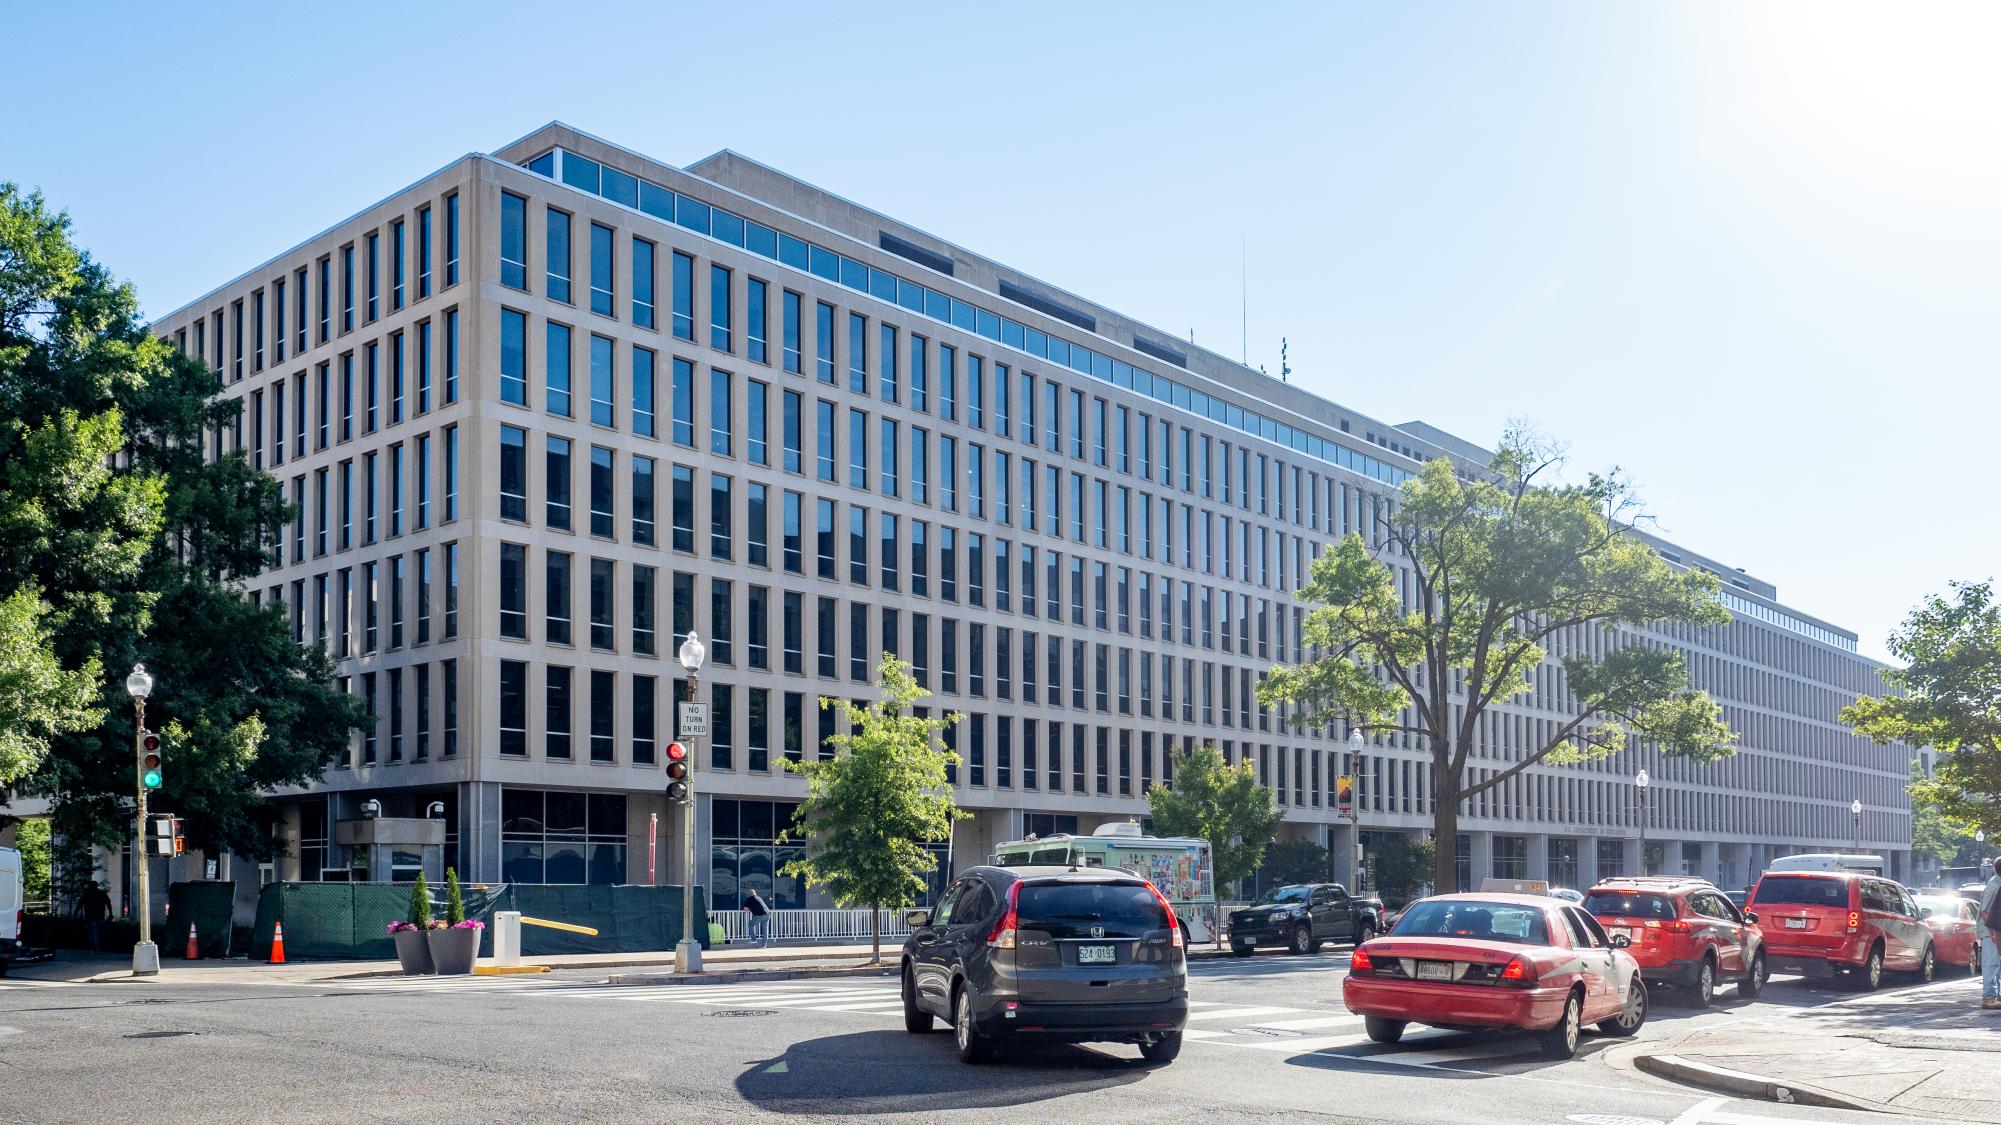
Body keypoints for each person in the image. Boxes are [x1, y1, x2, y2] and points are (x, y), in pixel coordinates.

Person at [1981, 856, 2001, 1013]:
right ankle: (1988, 998)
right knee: (1992, 964)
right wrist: (1993, 932)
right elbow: (1985, 911)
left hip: (1995, 931)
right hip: (1991, 932)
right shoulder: (1994, 885)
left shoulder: (1997, 883)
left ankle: (1996, 996)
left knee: (1997, 966)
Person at [79, 880, 113, 954]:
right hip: (99, 915)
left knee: (93, 932)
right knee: (97, 931)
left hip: (90, 915)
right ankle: (96, 947)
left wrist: (76, 912)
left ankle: (94, 948)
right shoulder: (101, 893)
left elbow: (80, 904)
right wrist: (110, 913)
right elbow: (108, 904)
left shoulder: (87, 894)